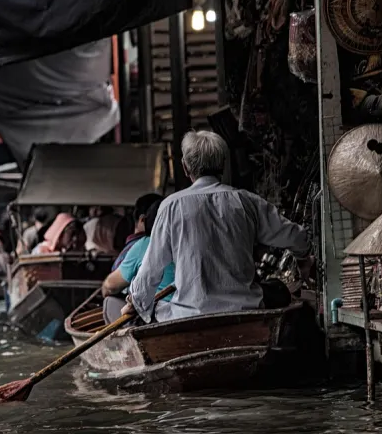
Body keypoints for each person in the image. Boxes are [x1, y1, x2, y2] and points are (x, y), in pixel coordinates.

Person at [129, 131, 309, 322]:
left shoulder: (171, 206)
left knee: (153, 312)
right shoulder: (245, 201)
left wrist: (136, 301)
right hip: (245, 311)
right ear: (223, 164)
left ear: (184, 167)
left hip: (189, 317)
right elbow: (298, 238)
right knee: (278, 291)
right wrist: (303, 258)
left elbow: (151, 269)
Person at [101, 197, 175, 323]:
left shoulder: (145, 243)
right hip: (185, 309)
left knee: (110, 302)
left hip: (156, 316)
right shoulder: (187, 243)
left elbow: (110, 286)